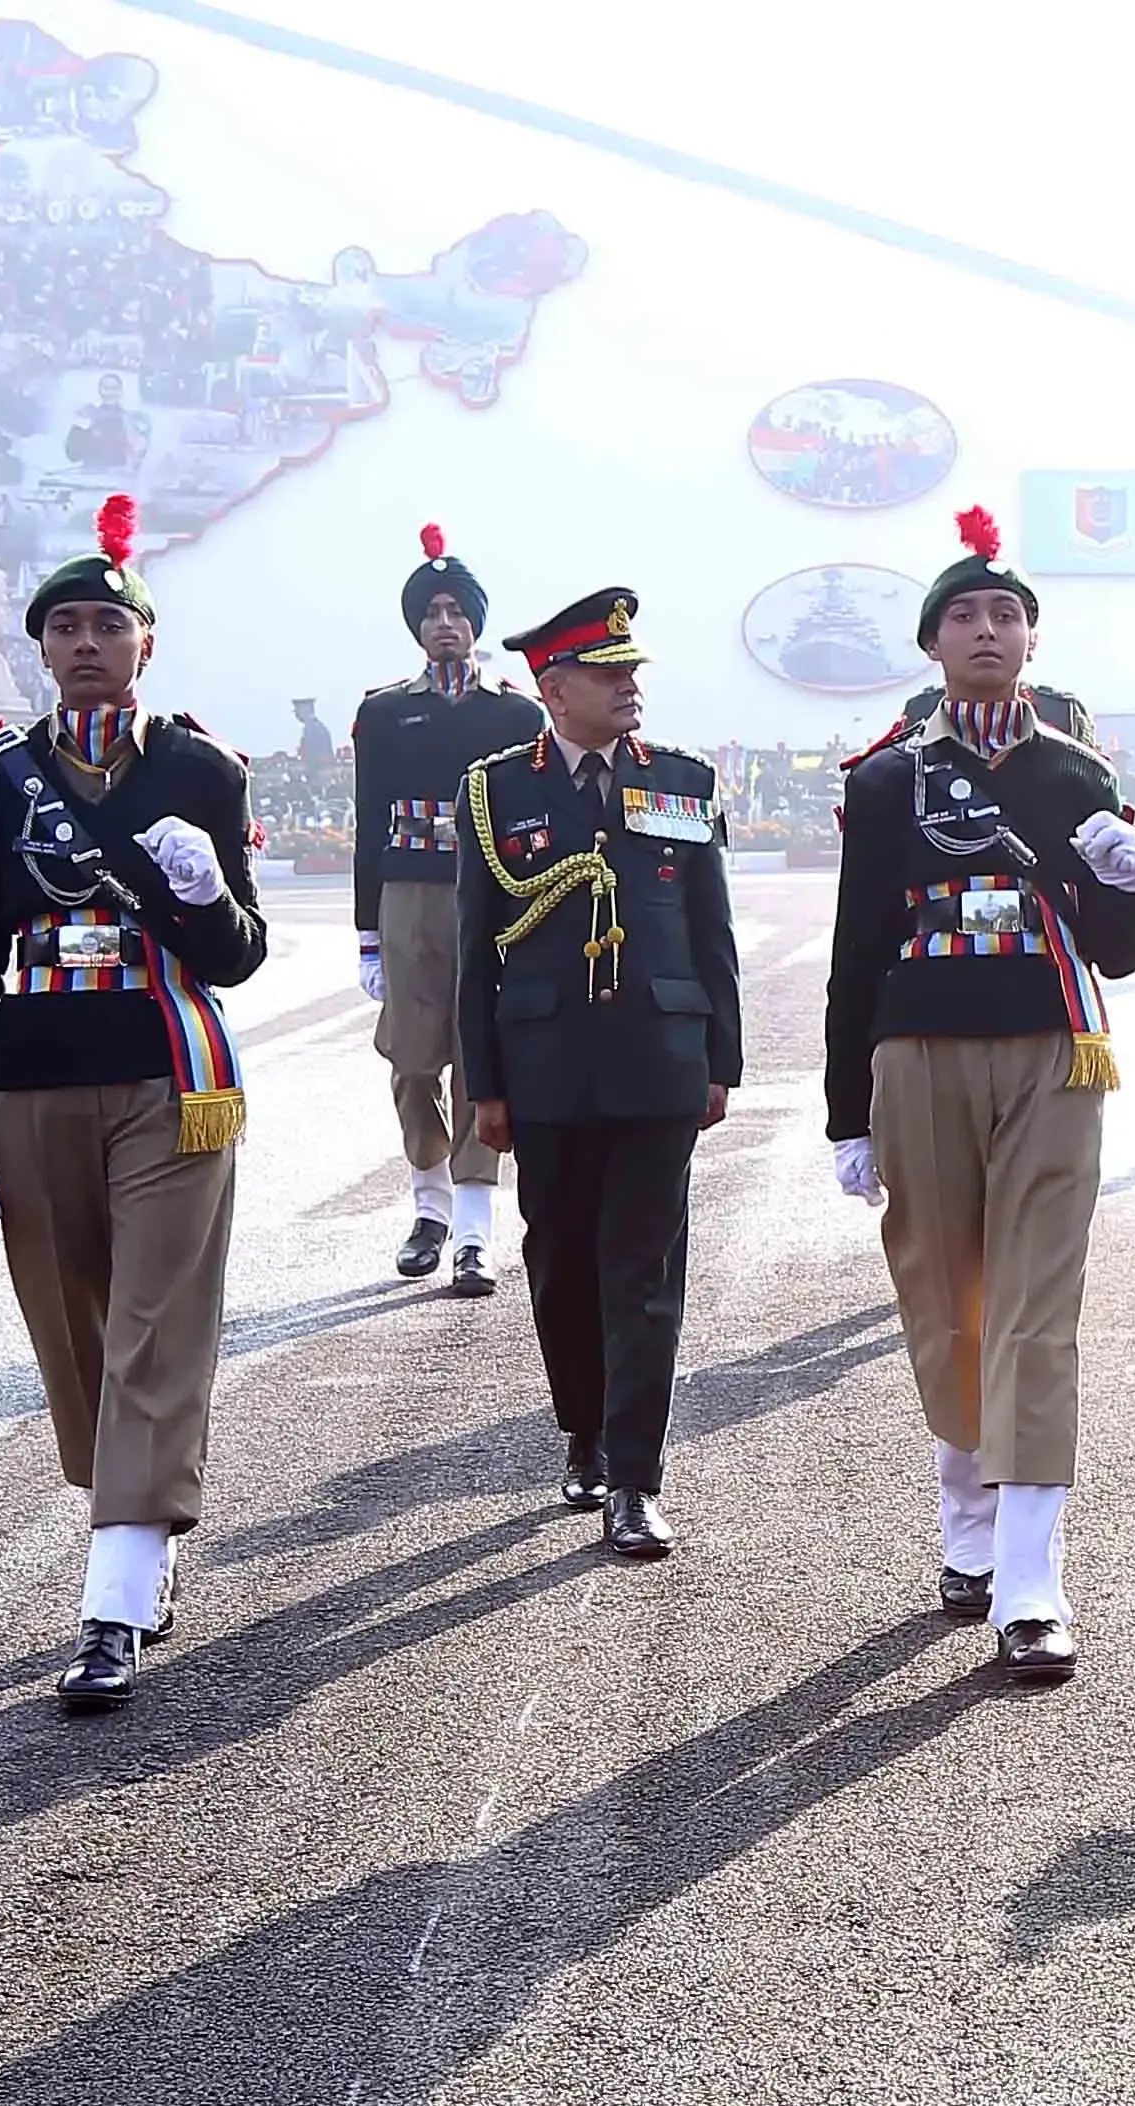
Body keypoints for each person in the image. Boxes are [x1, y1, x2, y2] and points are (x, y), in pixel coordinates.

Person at [0, 495, 266, 1710]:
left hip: (170, 1081)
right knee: (73, 1325)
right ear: (43, 648)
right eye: (64, 627)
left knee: (154, 1321)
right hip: (30, 1074)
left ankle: (117, 1593)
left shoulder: (199, 768)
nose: (85, 643)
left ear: (145, 644)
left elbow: (237, 957)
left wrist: (199, 889)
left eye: (106, 624)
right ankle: (132, 1510)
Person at [821, 505, 1135, 1680]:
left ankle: (1030, 1578)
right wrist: (842, 1114)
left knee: (1035, 1305)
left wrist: (1133, 879)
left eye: (1006, 614)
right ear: (932, 643)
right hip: (918, 1054)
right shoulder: (885, 784)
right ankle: (966, 1528)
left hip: (1053, 1053)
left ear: (1031, 639)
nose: (986, 630)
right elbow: (856, 951)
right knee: (945, 1299)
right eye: (963, 614)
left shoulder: (1077, 773)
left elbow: (1119, 948)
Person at [458, 588, 738, 1555]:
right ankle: (581, 1426)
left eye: (633, 670)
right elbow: (474, 949)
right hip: (544, 1066)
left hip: (660, 1059)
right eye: (608, 672)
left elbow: (711, 931)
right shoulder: (498, 791)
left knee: (646, 1272)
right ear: (553, 685)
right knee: (561, 1264)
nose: (630, 686)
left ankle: (634, 1476)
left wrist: (722, 1058)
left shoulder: (680, 780)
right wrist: (483, 1084)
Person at [352, 524, 540, 1292]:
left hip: (491, 894)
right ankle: (426, 1203)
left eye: (457, 610)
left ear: (476, 622)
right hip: (409, 894)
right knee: (410, 1057)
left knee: (480, 1058)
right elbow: (369, 821)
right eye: (430, 613)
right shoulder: (388, 711)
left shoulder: (515, 716)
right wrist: (367, 932)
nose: (444, 624)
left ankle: (470, 1229)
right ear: (416, 629)